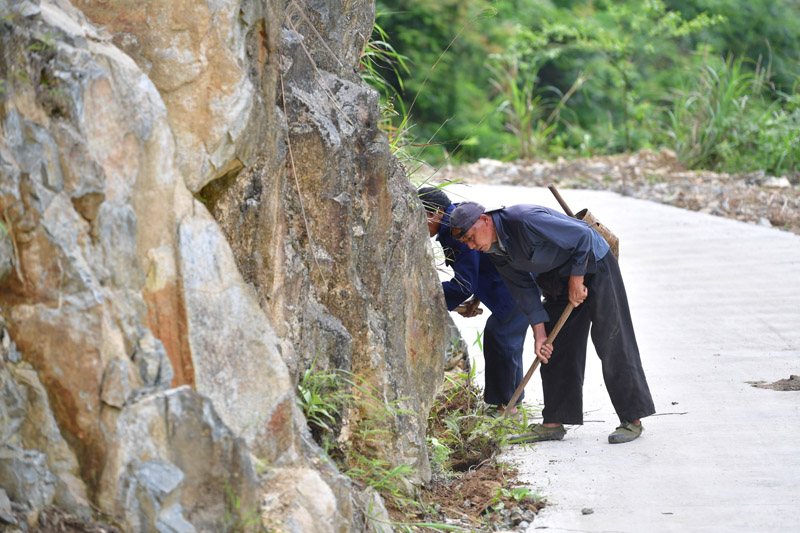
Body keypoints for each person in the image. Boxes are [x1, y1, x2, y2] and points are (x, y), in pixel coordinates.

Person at [449, 201, 655, 444]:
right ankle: (554, 422)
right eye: (467, 243)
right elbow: (523, 289)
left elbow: (584, 235)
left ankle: (632, 419)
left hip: (595, 265)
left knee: (612, 340)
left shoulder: (523, 220)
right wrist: (539, 334)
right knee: (554, 347)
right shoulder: (495, 250)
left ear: (484, 220)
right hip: (558, 277)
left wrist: (577, 280)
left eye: (471, 237)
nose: (472, 246)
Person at [419, 187, 529, 415]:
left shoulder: (454, 231)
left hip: (514, 285)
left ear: (436, 213)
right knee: (504, 338)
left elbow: (464, 283)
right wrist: (475, 299)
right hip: (511, 282)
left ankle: (507, 408)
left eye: (420, 216)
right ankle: (511, 403)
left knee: (502, 339)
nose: (419, 225)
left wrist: (428, 297)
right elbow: (481, 263)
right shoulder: (457, 218)